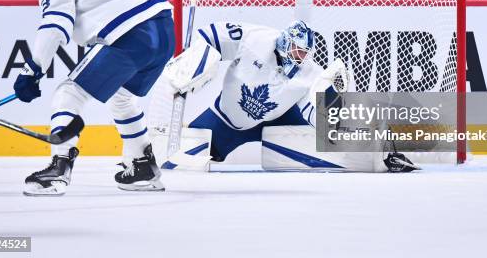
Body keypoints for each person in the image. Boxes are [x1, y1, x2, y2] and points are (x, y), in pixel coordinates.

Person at [14, 0, 175, 196]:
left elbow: (55, 26)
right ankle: (142, 166)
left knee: (68, 94)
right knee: (121, 98)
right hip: (164, 25)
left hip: (132, 34)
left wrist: (32, 70)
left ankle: (59, 169)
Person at [162, 20, 418, 172]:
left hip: (281, 118)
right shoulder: (255, 38)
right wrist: (197, 60)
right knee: (178, 167)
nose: (300, 57)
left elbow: (322, 123)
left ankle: (384, 150)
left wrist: (336, 107)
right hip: (226, 120)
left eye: (305, 52)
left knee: (331, 130)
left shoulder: (309, 73)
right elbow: (209, 35)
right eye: (296, 50)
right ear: (284, 42)